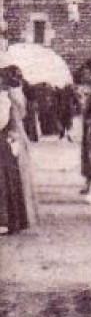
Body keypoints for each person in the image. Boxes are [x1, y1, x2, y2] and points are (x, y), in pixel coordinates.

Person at [0, 68, 37, 234]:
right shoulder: (12, 97)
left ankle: (6, 220)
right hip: (9, 142)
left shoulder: (4, 99)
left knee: (4, 180)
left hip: (3, 142)